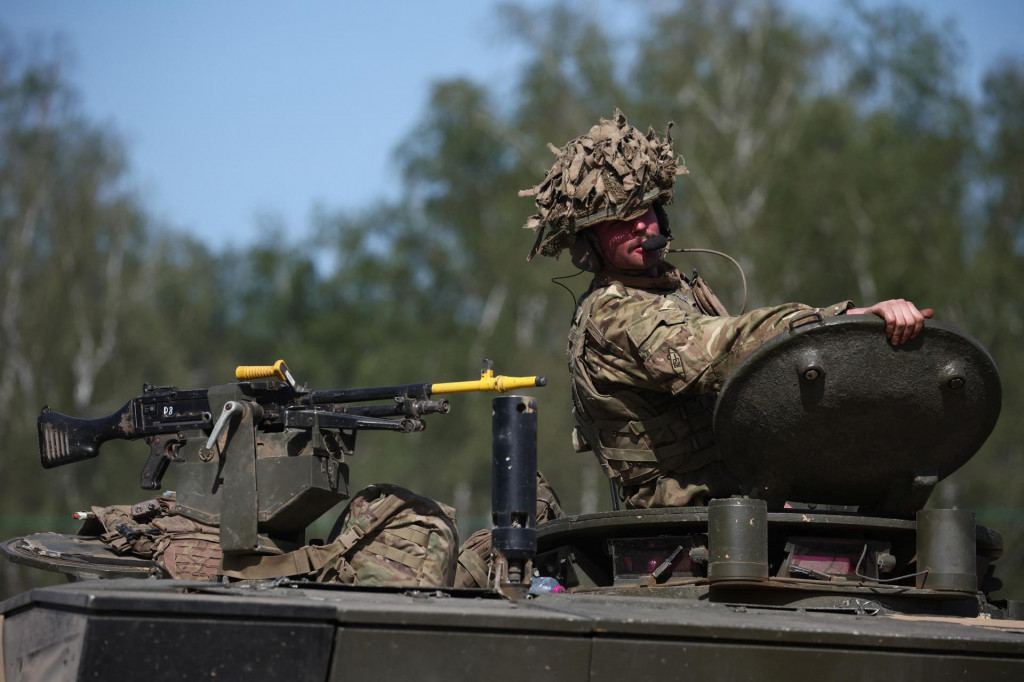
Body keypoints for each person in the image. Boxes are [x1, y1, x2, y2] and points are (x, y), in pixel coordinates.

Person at [519, 110, 932, 509]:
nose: (640, 227)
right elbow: (716, 350)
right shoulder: (613, 315)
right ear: (589, 243)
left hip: (736, 497)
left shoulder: (672, 287)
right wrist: (838, 321)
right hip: (683, 517)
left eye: (643, 210)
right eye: (618, 222)